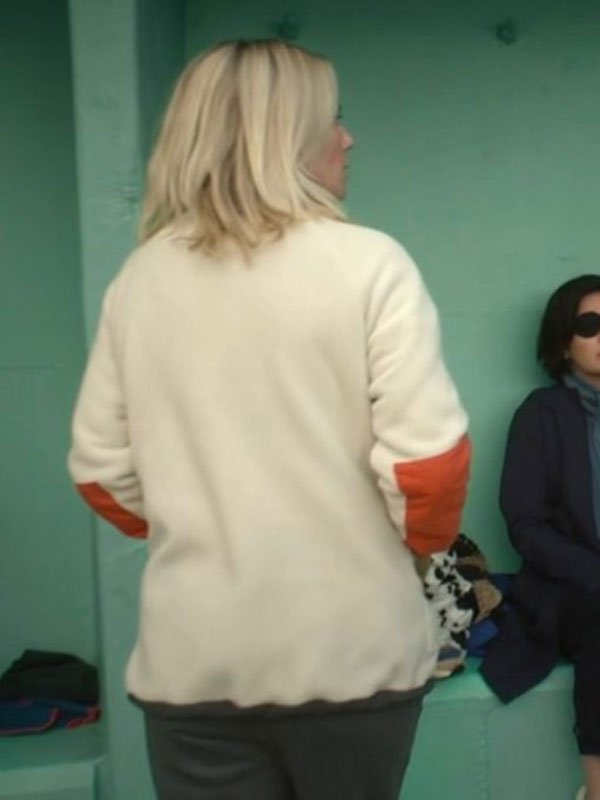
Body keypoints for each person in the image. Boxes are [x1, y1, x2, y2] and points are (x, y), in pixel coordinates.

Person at [68, 39, 470, 800]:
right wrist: (406, 557)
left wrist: (212, 528)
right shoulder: (369, 263)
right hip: (352, 655)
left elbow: (100, 473)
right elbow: (430, 469)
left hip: (192, 662)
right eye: (332, 119)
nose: (348, 138)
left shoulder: (142, 278)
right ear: (280, 136)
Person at [481, 275, 600, 800]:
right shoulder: (541, 415)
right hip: (570, 588)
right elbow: (525, 524)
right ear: (562, 344)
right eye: (590, 324)